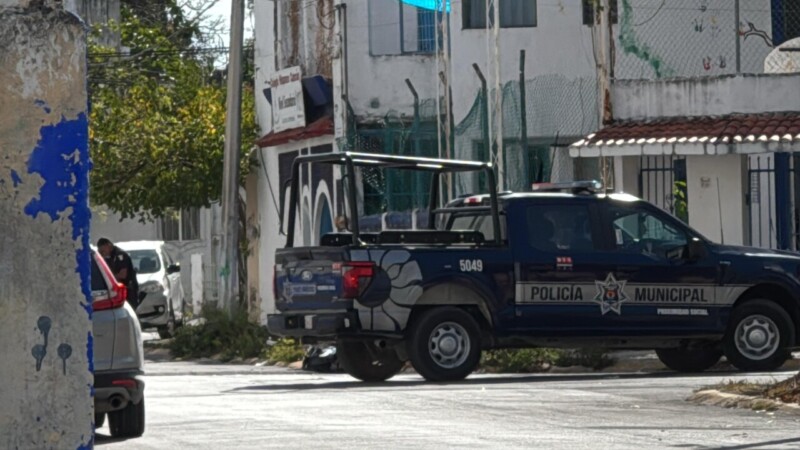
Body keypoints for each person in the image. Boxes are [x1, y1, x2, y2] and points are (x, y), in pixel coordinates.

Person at [97, 238, 140, 308]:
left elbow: (123, 275)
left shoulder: (120, 255)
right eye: (101, 252)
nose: (103, 253)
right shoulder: (110, 257)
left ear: (109, 245)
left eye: (103, 251)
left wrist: (109, 278)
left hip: (128, 290)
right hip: (119, 291)